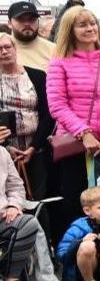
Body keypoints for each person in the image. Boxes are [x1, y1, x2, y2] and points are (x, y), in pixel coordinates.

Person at [45, 8, 100, 237]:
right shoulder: (59, 63)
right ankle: (79, 254)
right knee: (77, 201)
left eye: (92, 23)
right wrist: (84, 133)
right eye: (82, 25)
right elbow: (57, 105)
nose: (90, 28)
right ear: (70, 30)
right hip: (77, 147)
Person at [0, 32, 53, 207]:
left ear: (15, 50)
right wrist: (7, 146)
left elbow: (47, 114)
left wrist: (33, 147)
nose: (4, 51)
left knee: (38, 197)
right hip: (4, 150)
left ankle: (38, 233)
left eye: (7, 47)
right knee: (9, 198)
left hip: (36, 148)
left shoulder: (37, 76)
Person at [0, 146, 48, 281]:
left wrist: (14, 206)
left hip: (2, 218)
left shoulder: (2, 152)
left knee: (28, 223)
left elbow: (15, 186)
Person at [10, 2, 56, 72]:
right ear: (9, 23)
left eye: (32, 19)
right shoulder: (3, 49)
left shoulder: (54, 49)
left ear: (38, 21)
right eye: (20, 19)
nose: (27, 23)